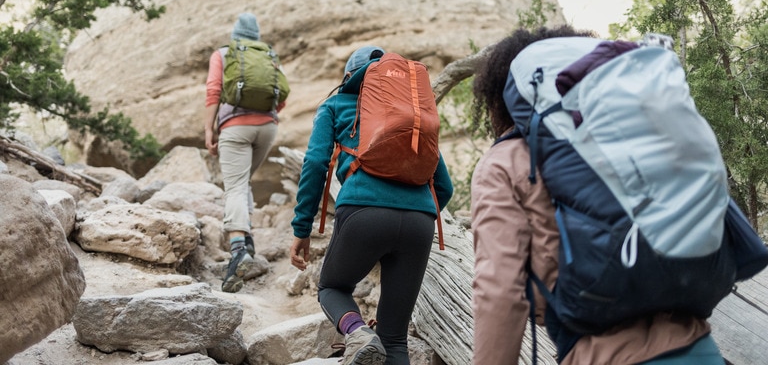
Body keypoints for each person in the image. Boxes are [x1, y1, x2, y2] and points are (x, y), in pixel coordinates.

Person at [470, 26, 725, 365]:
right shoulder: (632, 141)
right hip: (701, 349)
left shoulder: (506, 161)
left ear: (500, 98)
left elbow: (499, 293)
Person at [289, 45, 453, 365]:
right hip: (420, 221)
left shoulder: (335, 105)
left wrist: (302, 229)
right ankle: (376, 340)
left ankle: (358, 332)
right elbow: (443, 187)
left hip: (363, 211)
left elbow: (314, 164)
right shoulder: (411, 117)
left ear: (349, 78)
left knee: (332, 288)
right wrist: (412, 214)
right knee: (395, 340)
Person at [205, 12, 286, 293]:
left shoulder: (224, 54)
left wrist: (209, 129)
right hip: (267, 128)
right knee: (244, 181)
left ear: (235, 33)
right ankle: (249, 238)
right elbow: (283, 93)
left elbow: (214, 91)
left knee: (235, 186)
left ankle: (238, 248)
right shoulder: (270, 56)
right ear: (257, 35)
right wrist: (269, 116)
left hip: (235, 127)